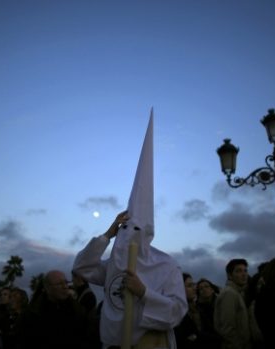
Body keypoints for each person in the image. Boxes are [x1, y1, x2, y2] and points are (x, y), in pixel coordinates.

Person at [72, 114, 188, 349]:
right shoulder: (113, 265)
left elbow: (177, 312)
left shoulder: (166, 267)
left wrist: (144, 292)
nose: (127, 234)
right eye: (123, 228)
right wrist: (107, 235)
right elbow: (81, 268)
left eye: (134, 229)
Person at [15, 269, 87, 348]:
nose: (65, 287)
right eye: (59, 284)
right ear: (47, 288)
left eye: (66, 282)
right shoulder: (31, 314)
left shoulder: (78, 311)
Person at [214, 258, 262, 349]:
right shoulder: (229, 294)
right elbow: (228, 329)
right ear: (229, 275)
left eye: (245, 271)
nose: (244, 274)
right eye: (238, 271)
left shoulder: (237, 293)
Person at [174, 273, 204, 349]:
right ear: (179, 288)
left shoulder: (197, 309)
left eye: (193, 285)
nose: (194, 288)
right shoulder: (176, 312)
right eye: (189, 286)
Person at [196, 278, 222, 349]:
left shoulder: (221, 304)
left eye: (206, 286)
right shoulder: (196, 309)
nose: (204, 289)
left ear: (212, 289)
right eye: (201, 288)